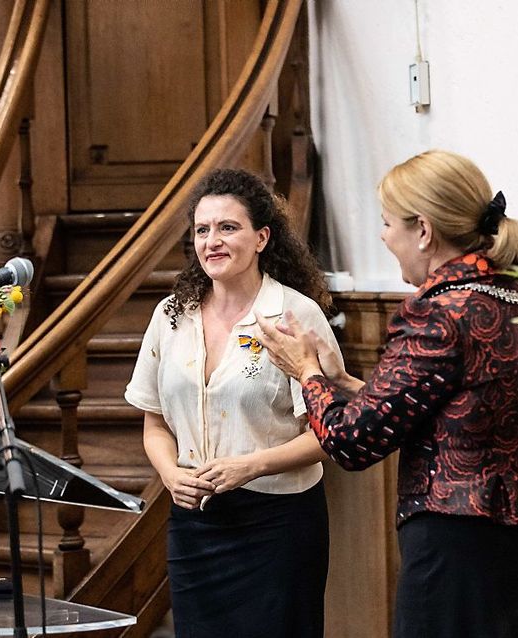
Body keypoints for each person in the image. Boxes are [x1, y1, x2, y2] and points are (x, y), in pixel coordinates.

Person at [258, 149, 518, 638]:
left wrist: (305, 372)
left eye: (388, 224)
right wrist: (343, 383)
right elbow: (459, 410)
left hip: (459, 552)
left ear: (424, 231)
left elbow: (351, 442)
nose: (384, 236)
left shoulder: (439, 313)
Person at [124, 168, 340, 638]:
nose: (212, 241)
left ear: (262, 238)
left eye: (228, 227)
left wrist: (251, 466)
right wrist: (169, 474)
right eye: (202, 230)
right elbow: (154, 422)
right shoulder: (170, 315)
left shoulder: (295, 316)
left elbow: (328, 434)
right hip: (195, 521)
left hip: (278, 524)